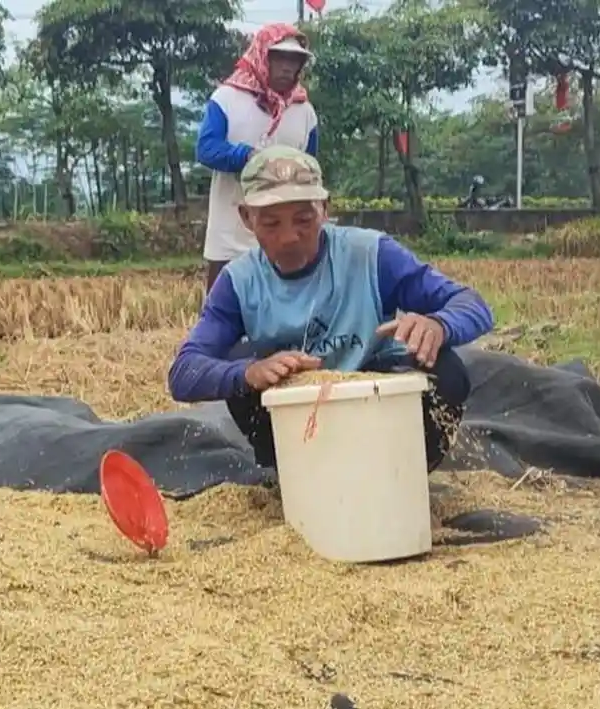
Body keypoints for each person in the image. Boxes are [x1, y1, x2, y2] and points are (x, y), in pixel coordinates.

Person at [167, 146, 494, 474]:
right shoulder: (239, 282)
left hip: (373, 395)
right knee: (237, 363)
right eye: (271, 223)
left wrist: (438, 324)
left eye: (304, 220)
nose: (289, 237)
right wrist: (249, 373)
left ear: (325, 209)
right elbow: (184, 373)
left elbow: (473, 305)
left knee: (445, 367)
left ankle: (403, 476)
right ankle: (294, 476)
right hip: (296, 414)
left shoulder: (370, 255)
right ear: (246, 218)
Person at [197, 23, 319, 295]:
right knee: (221, 310)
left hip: (286, 237)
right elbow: (206, 148)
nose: (288, 67)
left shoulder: (304, 110)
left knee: (285, 310)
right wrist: (247, 156)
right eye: (280, 58)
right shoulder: (227, 98)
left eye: (295, 60)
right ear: (263, 56)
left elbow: (311, 168)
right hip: (231, 229)